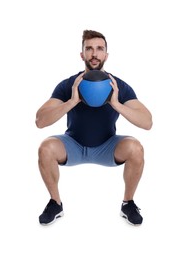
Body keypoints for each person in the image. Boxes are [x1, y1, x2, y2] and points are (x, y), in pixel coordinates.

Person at [35, 29, 153, 226]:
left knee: (136, 147)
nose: (94, 54)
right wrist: (72, 101)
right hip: (73, 144)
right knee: (45, 147)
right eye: (89, 49)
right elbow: (40, 120)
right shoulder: (68, 85)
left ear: (106, 54)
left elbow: (147, 122)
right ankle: (55, 203)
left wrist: (116, 104)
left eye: (99, 49)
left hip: (107, 146)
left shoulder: (119, 86)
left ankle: (128, 203)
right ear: (82, 54)